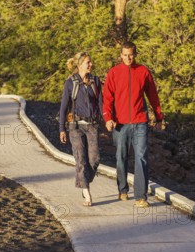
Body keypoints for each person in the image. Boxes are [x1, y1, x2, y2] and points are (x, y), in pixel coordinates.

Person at [103, 41, 164, 207]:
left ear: (135, 54)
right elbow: (107, 97)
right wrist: (108, 118)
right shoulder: (114, 73)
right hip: (120, 124)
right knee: (121, 157)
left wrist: (159, 118)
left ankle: (140, 197)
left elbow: (153, 96)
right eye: (125, 55)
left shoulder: (143, 71)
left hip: (140, 122)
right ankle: (123, 189)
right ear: (121, 55)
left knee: (141, 158)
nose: (128, 57)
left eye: (130, 54)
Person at [59, 52, 102, 206]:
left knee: (94, 159)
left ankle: (82, 180)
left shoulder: (95, 81)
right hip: (75, 127)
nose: (91, 65)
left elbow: (101, 103)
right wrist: (61, 129)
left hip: (92, 126)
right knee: (81, 160)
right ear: (80, 65)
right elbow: (64, 107)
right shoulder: (70, 83)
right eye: (88, 62)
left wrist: (107, 119)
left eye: (90, 62)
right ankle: (86, 191)